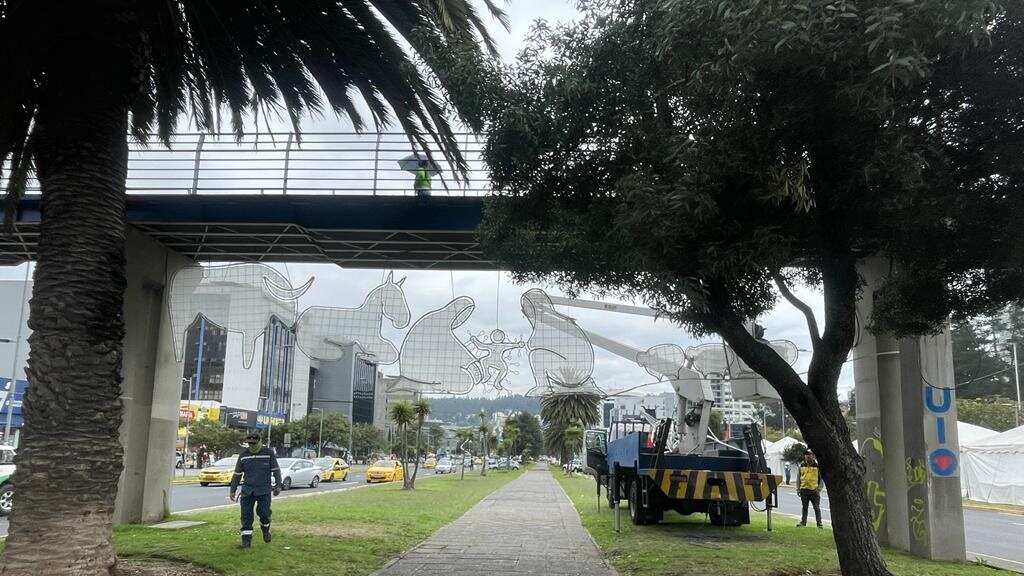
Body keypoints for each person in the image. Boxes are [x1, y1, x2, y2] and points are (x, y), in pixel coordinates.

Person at [229, 432, 282, 548]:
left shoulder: (268, 453)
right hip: (247, 490)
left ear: (259, 441)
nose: (251, 446)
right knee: (246, 516)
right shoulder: (243, 455)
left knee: (264, 513)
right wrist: (232, 490)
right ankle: (246, 542)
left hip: (264, 490)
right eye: (249, 443)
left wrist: (278, 485)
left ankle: (265, 529)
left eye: (254, 443)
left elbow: (276, 470)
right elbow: (237, 474)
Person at [797, 449, 823, 528]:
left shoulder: (818, 466)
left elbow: (821, 479)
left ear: (813, 456)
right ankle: (803, 522)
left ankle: (819, 523)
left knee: (816, 507)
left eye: (809, 454)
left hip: (814, 491)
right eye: (806, 454)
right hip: (804, 490)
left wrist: (819, 489)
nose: (807, 456)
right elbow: (798, 478)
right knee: (804, 507)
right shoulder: (801, 465)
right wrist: (798, 489)